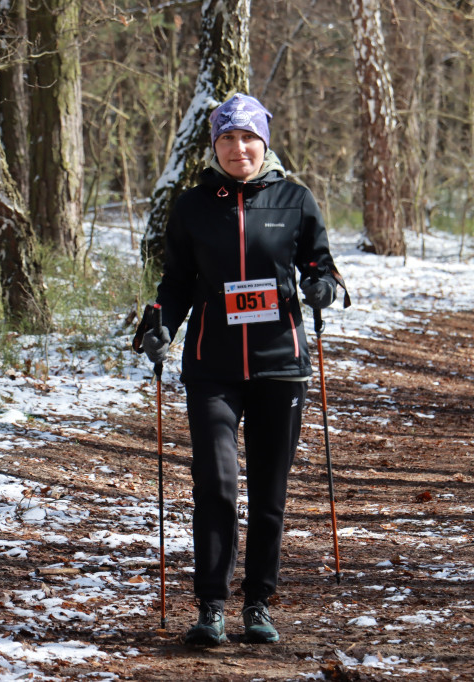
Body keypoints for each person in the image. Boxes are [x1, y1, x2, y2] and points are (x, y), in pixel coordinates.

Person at [139, 93, 342, 646]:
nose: (238, 147)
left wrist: (322, 284)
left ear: (264, 142)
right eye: (227, 138)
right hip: (212, 367)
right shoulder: (193, 207)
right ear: (214, 145)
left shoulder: (295, 200)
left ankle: (258, 602)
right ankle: (211, 605)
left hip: (281, 366)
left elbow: (320, 263)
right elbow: (176, 283)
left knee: (269, 491)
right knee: (217, 485)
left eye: (248, 137)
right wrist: (160, 323)